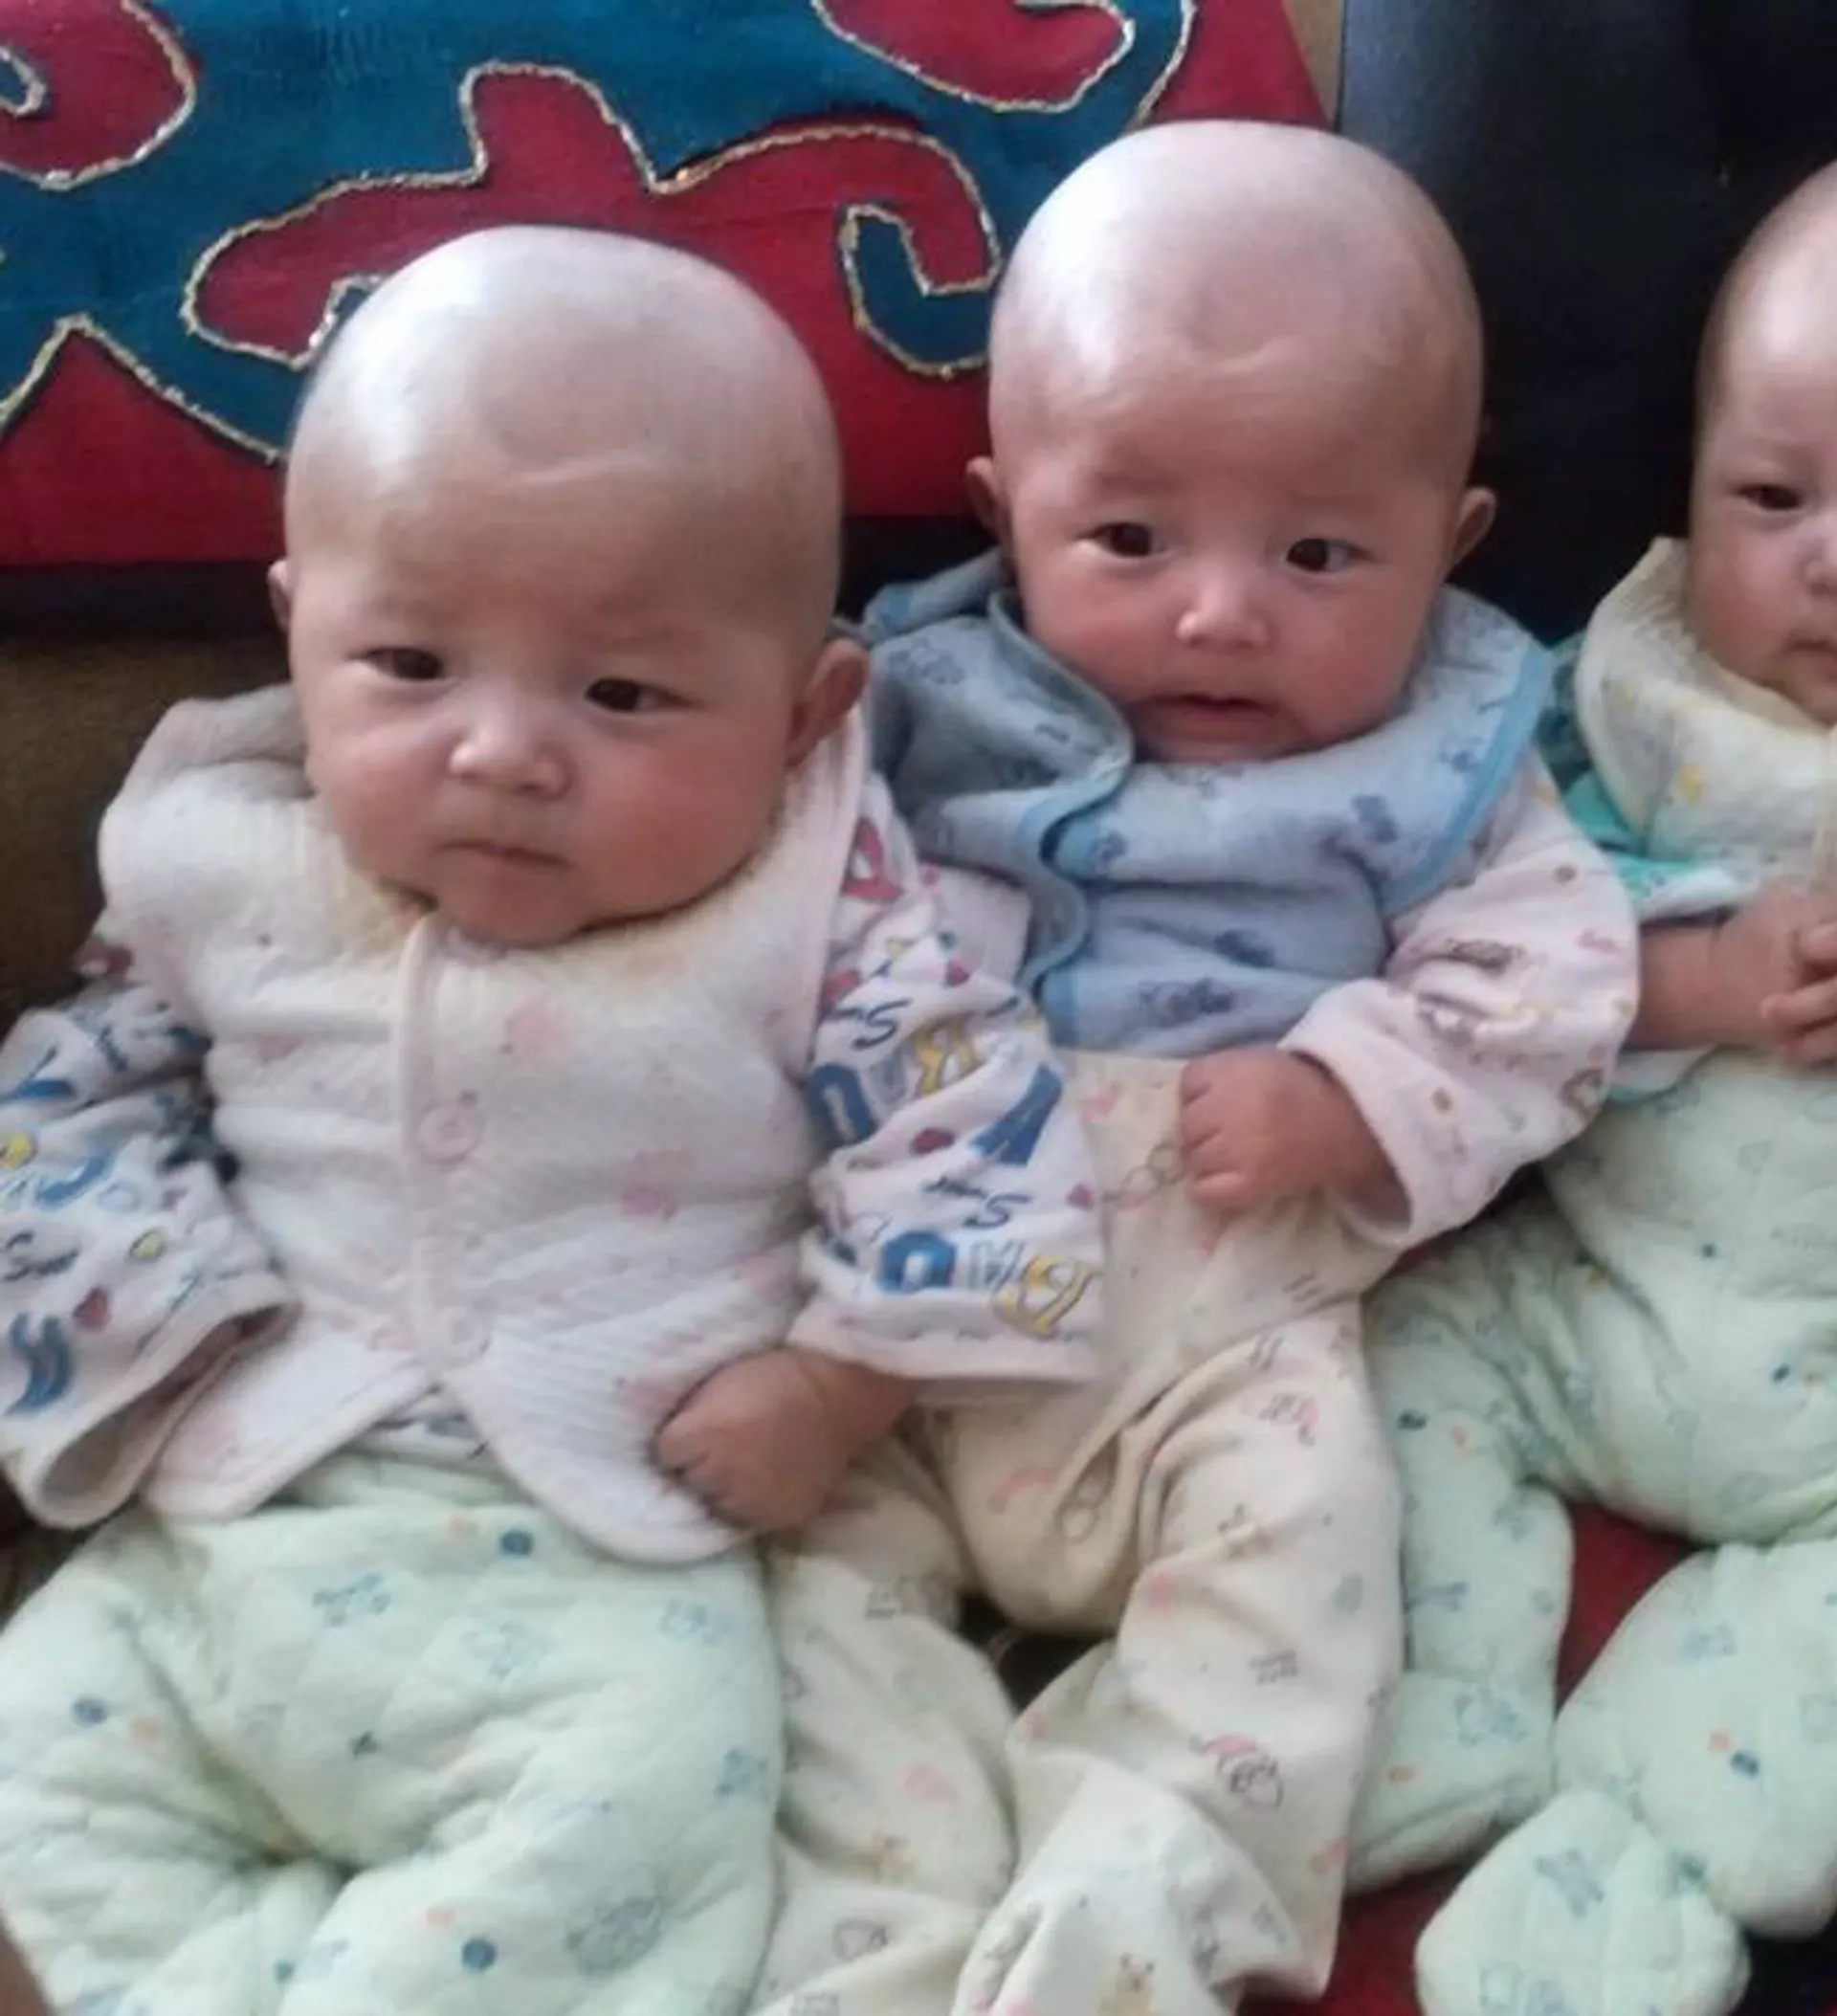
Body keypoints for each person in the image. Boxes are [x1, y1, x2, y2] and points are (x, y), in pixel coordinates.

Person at [0, 226, 1103, 2016]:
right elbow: (66, 1100)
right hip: (216, 1533)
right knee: (31, 1787)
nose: (502, 749)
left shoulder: (823, 902)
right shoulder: (215, 852)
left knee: (643, 1829)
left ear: (806, 711)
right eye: (407, 662)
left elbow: (977, 1134)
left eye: (621, 693)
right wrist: (140, 1310)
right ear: (295, 627)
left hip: (597, 1575)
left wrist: (839, 1384)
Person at [751, 121, 1639, 2016]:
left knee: (1293, 1629)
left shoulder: (1450, 756)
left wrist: (1358, 1083)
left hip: (1233, 1339)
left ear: (1452, 540)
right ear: (1004, 513)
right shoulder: (910, 709)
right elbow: (766, 901)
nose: (1221, 610)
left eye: (1319, 552)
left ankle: (1125, 1941)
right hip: (903, 1330)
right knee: (809, 1609)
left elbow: (1560, 975)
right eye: (1131, 539)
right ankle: (870, 1944)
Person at [1345, 162, 1837, 2016]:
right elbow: (1479, 940)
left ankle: (1639, 1850)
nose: (1828, 557)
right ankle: (1444, 1694)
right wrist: (1695, 976)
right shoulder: (1603, 701)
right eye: (1773, 497)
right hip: (1581, 1302)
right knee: (1387, 1355)